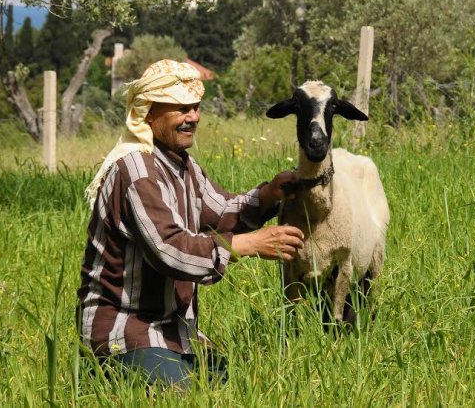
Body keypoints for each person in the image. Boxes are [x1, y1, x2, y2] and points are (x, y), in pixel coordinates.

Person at [77, 59, 304, 389]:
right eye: (181, 109)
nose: (193, 117)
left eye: (196, 107)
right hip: (124, 329)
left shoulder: (182, 165)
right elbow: (171, 250)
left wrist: (270, 194)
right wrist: (248, 244)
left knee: (238, 388)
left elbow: (223, 211)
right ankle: (105, 372)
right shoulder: (137, 172)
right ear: (149, 113)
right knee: (183, 393)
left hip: (173, 329)